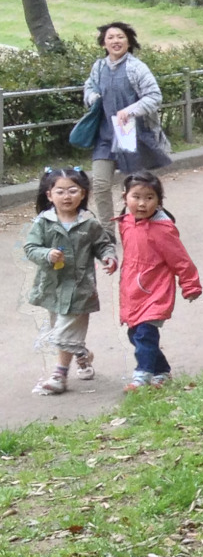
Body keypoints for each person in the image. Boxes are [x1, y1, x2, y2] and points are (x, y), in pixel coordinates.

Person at [22, 167, 119, 396]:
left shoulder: (89, 223)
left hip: (80, 289)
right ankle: (82, 354)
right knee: (61, 330)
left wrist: (109, 257)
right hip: (53, 288)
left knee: (64, 333)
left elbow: (103, 244)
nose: (67, 196)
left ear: (83, 194)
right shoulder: (43, 223)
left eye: (73, 191)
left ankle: (59, 376)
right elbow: (30, 248)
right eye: (60, 191)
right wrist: (46, 254)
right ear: (49, 195)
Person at [116, 171, 201, 391]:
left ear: (159, 201)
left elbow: (180, 259)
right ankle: (161, 371)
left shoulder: (163, 230)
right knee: (135, 334)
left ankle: (141, 376)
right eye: (136, 197)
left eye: (149, 197)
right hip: (132, 289)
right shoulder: (125, 222)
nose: (142, 203)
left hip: (156, 289)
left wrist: (190, 284)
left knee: (145, 333)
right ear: (125, 197)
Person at [83, 21, 172, 228]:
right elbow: (89, 88)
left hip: (132, 134)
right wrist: (93, 97)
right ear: (104, 43)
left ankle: (142, 227)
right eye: (110, 37)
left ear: (129, 42)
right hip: (105, 136)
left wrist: (130, 110)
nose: (116, 41)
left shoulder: (136, 67)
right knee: (100, 184)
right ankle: (107, 233)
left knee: (139, 188)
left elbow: (154, 96)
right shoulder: (99, 67)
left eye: (120, 37)